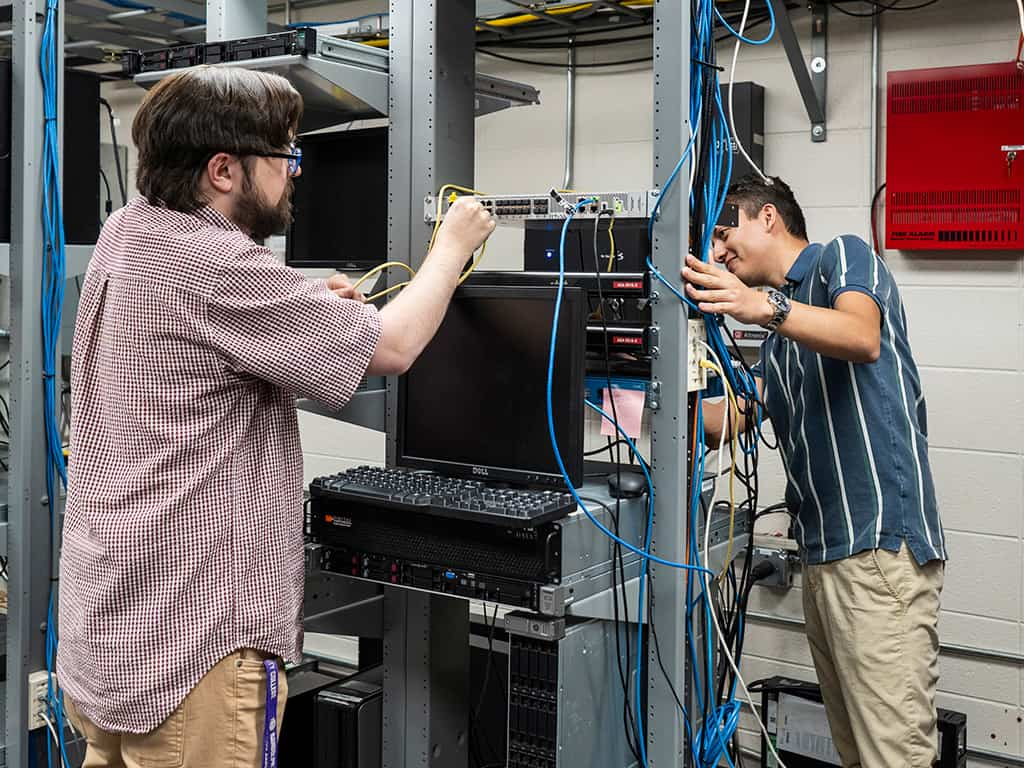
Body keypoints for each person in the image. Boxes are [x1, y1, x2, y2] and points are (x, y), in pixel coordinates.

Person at [56, 66, 494, 766]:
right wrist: (451, 248)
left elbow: (206, 313)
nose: (295, 172)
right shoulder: (219, 270)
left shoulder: (128, 230)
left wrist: (298, 300)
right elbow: (394, 346)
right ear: (224, 169)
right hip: (193, 655)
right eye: (285, 156)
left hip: (110, 633)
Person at [682, 174, 946, 768]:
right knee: (857, 754)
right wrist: (634, 393)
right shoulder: (779, 345)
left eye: (726, 235)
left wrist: (760, 306)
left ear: (768, 217)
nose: (719, 254)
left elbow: (862, 335)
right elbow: (734, 419)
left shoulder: (842, 260)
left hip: (878, 551)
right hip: (826, 559)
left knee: (893, 757)